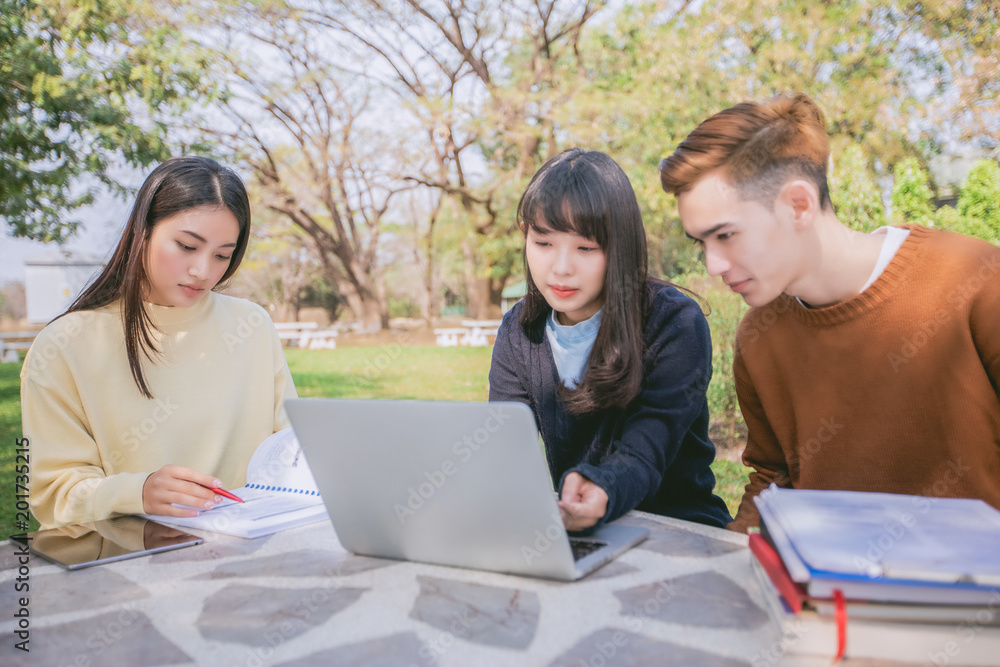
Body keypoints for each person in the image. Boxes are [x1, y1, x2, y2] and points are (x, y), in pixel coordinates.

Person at [659, 93, 1000, 533]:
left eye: (725, 235)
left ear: (798, 204)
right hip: (821, 577)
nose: (713, 265)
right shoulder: (759, 336)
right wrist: (727, 560)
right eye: (701, 242)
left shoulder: (975, 279)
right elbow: (773, 480)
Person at [22, 156, 297, 529]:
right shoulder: (65, 345)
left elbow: (291, 450)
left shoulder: (252, 325)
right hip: (130, 556)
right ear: (143, 232)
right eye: (186, 246)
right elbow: (53, 495)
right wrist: (139, 492)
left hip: (253, 545)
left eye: (222, 255)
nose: (203, 271)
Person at [489, 148, 732, 532]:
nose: (561, 268)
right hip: (581, 534)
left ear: (621, 247)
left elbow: (644, 452)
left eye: (586, 248)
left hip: (679, 532)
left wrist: (601, 487)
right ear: (525, 236)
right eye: (543, 243)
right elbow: (504, 449)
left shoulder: (674, 323)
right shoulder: (519, 331)